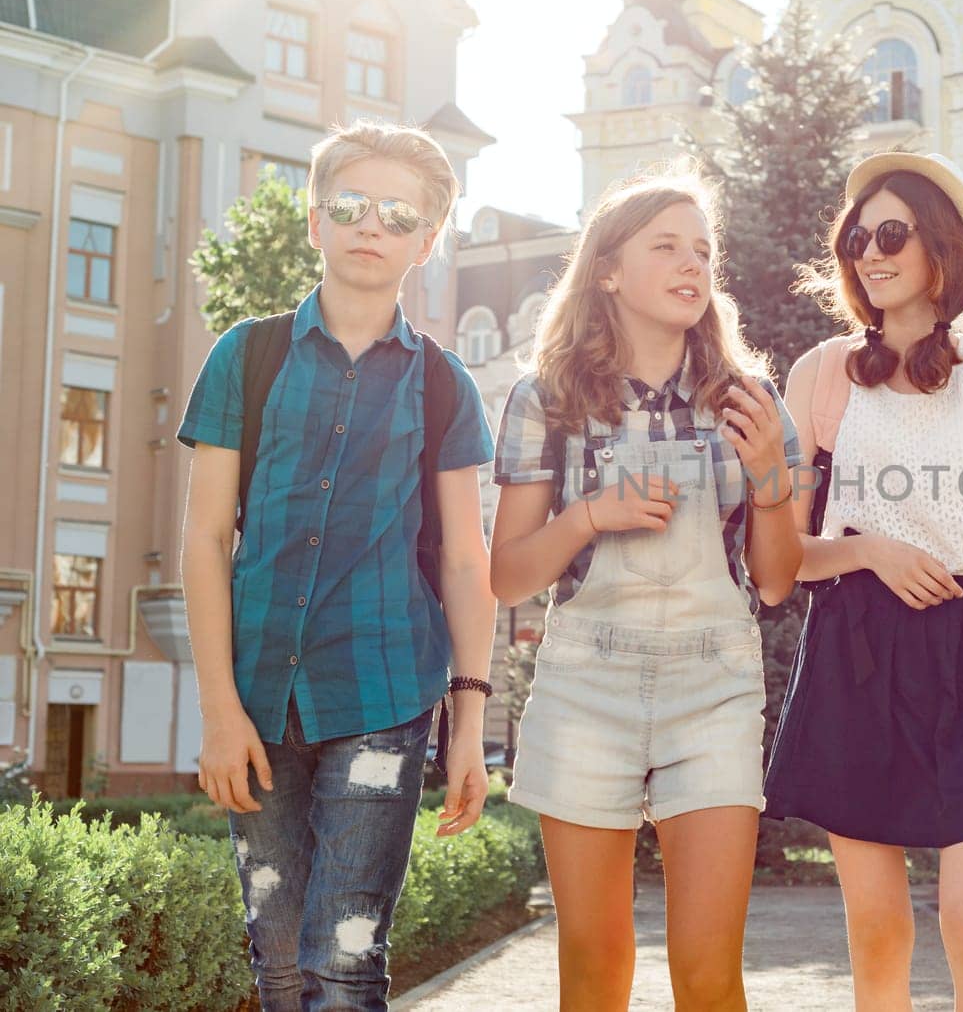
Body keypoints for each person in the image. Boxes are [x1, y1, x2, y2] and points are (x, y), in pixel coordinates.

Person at [179, 119, 497, 1010]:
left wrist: (467, 724)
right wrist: (217, 711)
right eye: (351, 206)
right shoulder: (248, 355)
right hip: (256, 701)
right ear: (314, 220)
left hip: (385, 696)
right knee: (277, 960)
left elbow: (468, 565)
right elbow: (206, 538)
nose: (372, 227)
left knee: (346, 959)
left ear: (426, 243)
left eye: (398, 216)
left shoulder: (444, 385)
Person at [488, 170, 803, 1011]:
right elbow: (510, 573)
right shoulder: (545, 399)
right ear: (608, 271)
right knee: (594, 971)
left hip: (714, 686)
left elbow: (776, 581)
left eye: (703, 249)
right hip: (586, 685)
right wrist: (591, 514)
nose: (691, 262)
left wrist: (772, 477)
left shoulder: (751, 403)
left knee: (709, 976)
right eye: (664, 245)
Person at [764, 152, 963, 1010]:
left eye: (892, 233)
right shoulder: (818, 376)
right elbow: (781, 565)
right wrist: (866, 550)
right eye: (858, 236)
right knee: (879, 930)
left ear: (942, 250)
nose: (870, 252)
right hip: (857, 650)